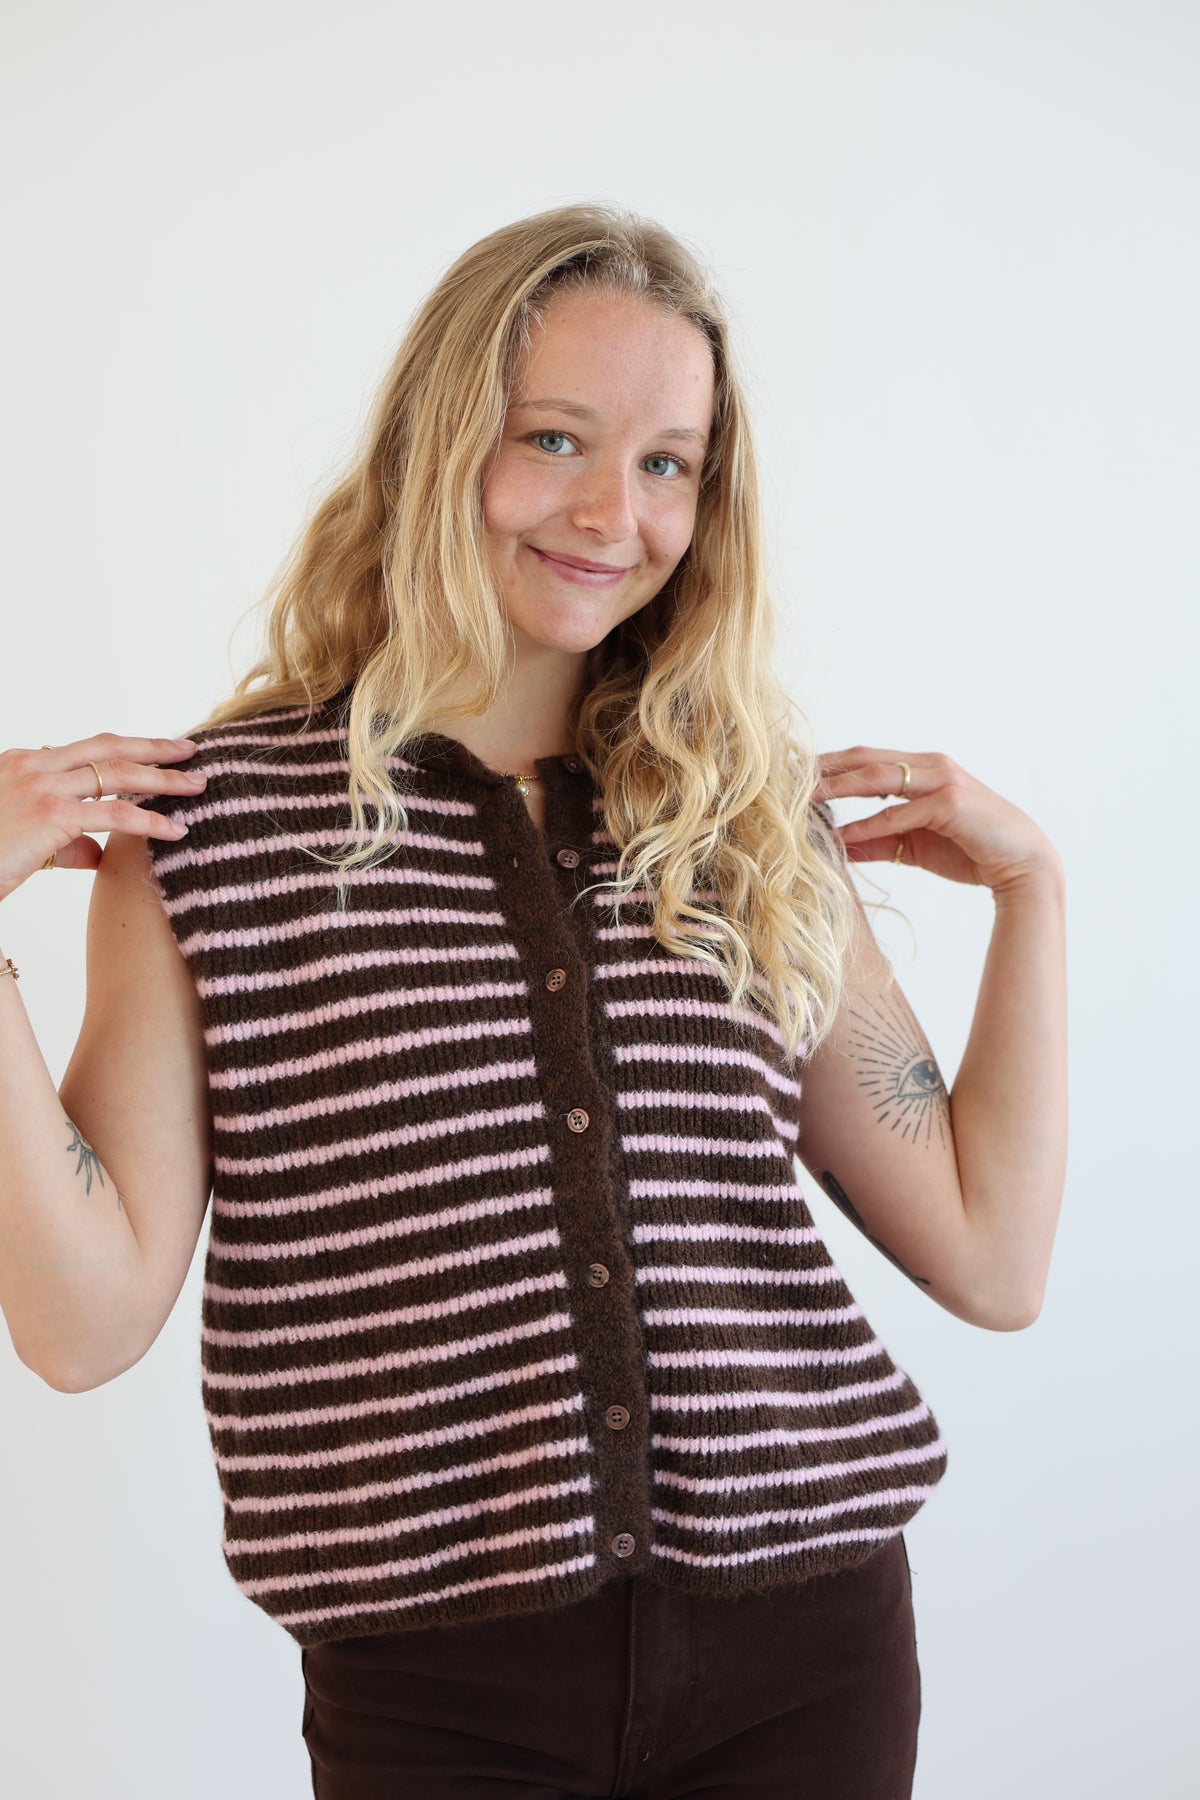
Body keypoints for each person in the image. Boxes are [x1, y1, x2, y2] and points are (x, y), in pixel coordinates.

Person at [0, 203, 1067, 1798]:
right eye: (554, 438)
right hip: (439, 1692)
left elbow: (991, 1256)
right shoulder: (217, 829)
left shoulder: (736, 815)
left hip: (809, 1647)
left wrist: (1036, 896)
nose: (610, 513)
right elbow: (81, 1329)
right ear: (440, 445)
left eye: (667, 464)